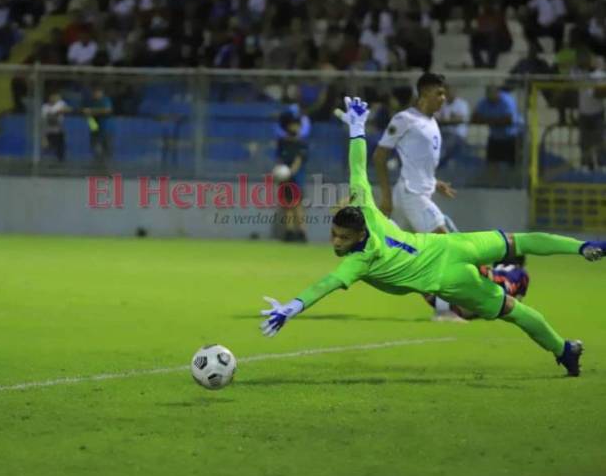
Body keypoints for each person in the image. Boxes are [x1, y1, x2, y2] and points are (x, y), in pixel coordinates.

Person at [259, 97, 605, 377]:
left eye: (341, 238)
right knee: (517, 251)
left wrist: (292, 307)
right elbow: (358, 168)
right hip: (452, 247)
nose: (335, 242)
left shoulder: (360, 260)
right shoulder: (363, 207)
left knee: (513, 302)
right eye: (334, 234)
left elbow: (326, 285)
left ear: (358, 235)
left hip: (448, 274)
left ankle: (565, 336)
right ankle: (578, 277)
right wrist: (357, 127)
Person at [373, 73, 461, 321]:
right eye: (439, 94)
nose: (444, 99)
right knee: (445, 245)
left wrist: (437, 182)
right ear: (423, 95)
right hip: (412, 195)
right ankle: (443, 312)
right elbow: (379, 157)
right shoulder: (404, 119)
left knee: (391, 253)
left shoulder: (432, 122)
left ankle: (355, 262)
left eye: (444, 93)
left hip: (417, 192)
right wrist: (385, 197)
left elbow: (420, 163)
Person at [276, 111, 308, 243]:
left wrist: (291, 172)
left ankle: (301, 232)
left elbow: (299, 160)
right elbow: (279, 159)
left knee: (297, 206)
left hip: (296, 179)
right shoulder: (282, 142)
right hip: (284, 179)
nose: (295, 127)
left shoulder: (301, 143)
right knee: (287, 206)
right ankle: (289, 232)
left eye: (297, 125)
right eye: (293, 125)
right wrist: (279, 172)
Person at [472, 85, 521, 168]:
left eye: (493, 96)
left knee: (511, 166)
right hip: (495, 137)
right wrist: (496, 121)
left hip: (511, 137)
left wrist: (487, 120)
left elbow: (508, 120)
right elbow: (474, 119)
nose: (491, 100)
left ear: (498, 93)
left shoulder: (507, 101)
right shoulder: (485, 101)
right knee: (492, 165)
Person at [436, 85, 470, 168]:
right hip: (443, 134)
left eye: (449, 92)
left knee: (443, 148)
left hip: (457, 135)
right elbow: (435, 119)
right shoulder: (441, 104)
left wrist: (446, 120)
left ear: (455, 92)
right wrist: (449, 120)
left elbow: (459, 120)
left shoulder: (462, 104)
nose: (447, 94)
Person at [81, 88, 113, 161]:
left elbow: (107, 110)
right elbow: (86, 112)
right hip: (94, 124)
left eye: (98, 93)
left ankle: (107, 158)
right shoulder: (91, 101)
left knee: (105, 142)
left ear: (101, 93)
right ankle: (97, 158)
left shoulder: (105, 100)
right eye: (94, 93)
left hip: (104, 126)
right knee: (94, 142)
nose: (96, 95)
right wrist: (88, 116)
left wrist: (92, 111)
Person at [41, 92, 70, 162]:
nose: (53, 99)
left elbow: (68, 109)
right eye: (52, 97)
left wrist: (62, 110)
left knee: (60, 145)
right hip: (49, 129)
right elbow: (44, 119)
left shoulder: (60, 104)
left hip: (59, 129)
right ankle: (47, 159)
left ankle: (61, 159)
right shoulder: (45, 106)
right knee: (48, 146)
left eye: (55, 97)